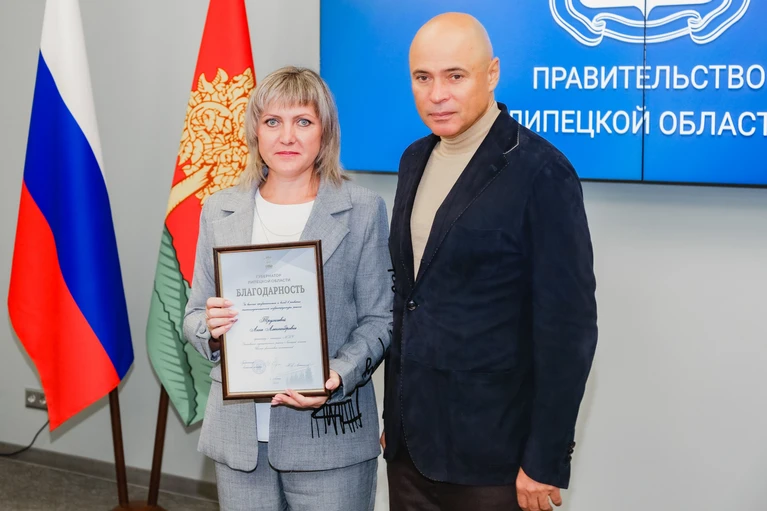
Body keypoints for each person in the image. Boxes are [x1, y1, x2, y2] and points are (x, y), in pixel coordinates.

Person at [383, 13, 598, 511]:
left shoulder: (542, 172)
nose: (437, 94)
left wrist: (544, 459)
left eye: (455, 76)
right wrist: (396, 417)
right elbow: (409, 299)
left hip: (495, 460)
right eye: (423, 77)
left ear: (492, 73)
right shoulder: (414, 159)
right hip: (410, 450)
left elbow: (568, 331)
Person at [183, 66, 391, 511]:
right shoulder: (219, 209)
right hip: (239, 439)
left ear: (324, 132)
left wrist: (336, 374)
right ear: (255, 131)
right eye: (273, 121)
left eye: (303, 121)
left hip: (329, 435)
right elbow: (194, 315)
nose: (287, 136)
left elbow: (380, 319)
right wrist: (212, 330)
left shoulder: (362, 209)